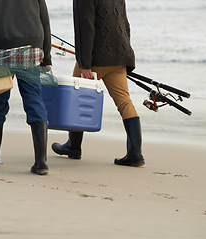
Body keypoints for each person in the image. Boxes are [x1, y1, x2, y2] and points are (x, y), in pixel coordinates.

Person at [52, 0, 145, 167]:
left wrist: (85, 65)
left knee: (74, 98)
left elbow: (85, 28)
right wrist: (125, 55)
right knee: (124, 102)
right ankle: (135, 154)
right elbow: (125, 23)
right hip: (120, 55)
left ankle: (73, 147)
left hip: (96, 59)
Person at [0, 0, 52, 175]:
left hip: (1, 49)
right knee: (34, 99)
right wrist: (47, 56)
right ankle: (41, 162)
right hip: (32, 47)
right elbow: (44, 17)